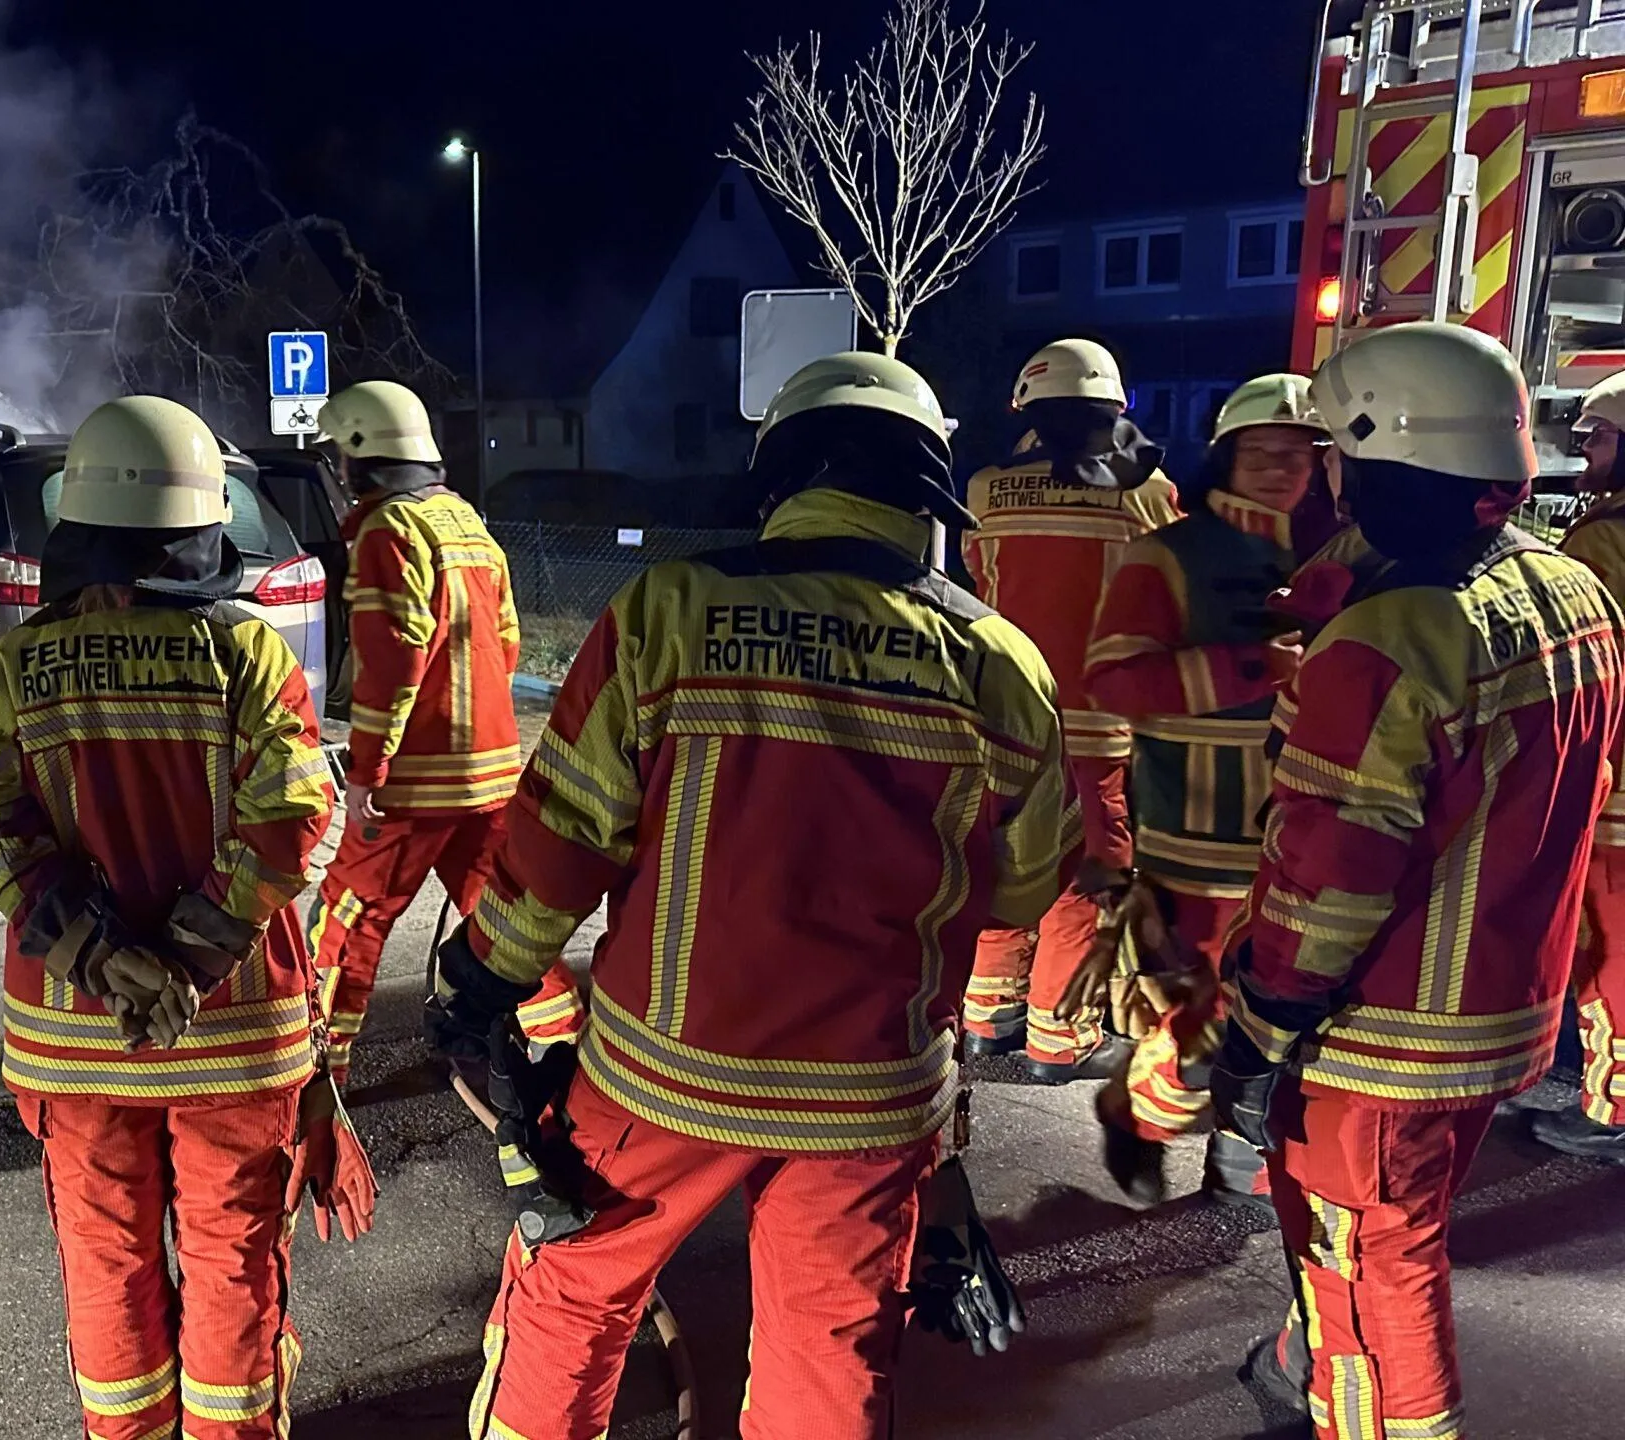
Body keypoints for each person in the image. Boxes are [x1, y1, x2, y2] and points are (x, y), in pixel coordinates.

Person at [432, 353, 1074, 1440]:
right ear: (926, 501)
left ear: (776, 481)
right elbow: (1021, 891)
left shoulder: (669, 613)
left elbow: (563, 835)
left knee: (573, 1293)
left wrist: (479, 978)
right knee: (827, 1351)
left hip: (662, 1075)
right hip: (871, 1096)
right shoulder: (1000, 663)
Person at [1213, 322, 1625, 1435]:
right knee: (1386, 1226)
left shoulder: (1393, 639)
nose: (1323, 481)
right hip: (1509, 1011)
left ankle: (1380, 1415)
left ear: (1375, 451)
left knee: (1375, 1256)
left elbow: (1329, 879)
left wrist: (1257, 1018)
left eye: (1332, 457)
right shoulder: (1576, 595)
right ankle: (1317, 1361)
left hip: (1389, 1033)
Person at [0, 395, 341, 1439]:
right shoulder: (247, 656)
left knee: (107, 1267)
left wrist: (103, 958)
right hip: (234, 1037)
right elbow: (294, 816)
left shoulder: (15, 666)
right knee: (232, 1267)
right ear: (203, 527)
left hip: (76, 1044)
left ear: (76, 525)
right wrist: (190, 954)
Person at [1081, 375, 1323, 1203]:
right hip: (1196, 832)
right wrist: (1260, 668)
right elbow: (1114, 680)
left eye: (1301, 454)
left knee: (1287, 1014)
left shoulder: (1347, 556)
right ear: (1226, 455)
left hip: (1313, 832)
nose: (1284, 468)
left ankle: (1238, 1152)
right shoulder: (1169, 554)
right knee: (1199, 1014)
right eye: (1264, 452)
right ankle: (1135, 1115)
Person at [306, 380, 579, 1080]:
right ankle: (563, 1049)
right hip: (489, 774)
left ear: (360, 453)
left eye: (340, 453)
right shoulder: (465, 521)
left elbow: (391, 663)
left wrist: (367, 772)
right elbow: (508, 641)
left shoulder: (387, 530)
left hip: (413, 783)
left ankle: (314, 1070)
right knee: (504, 926)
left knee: (348, 921)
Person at [960, 339, 1180, 1080]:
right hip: (1096, 724)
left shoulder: (986, 490)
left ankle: (987, 1018)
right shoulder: (1148, 496)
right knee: (1086, 872)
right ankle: (1060, 1038)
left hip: (997, 719)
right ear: (1114, 412)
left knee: (1000, 859)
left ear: (1026, 410)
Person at [1530, 369, 1625, 1162]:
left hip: (1619, 786)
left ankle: (1613, 1110)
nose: (1585, 452)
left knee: (1611, 950)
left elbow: (1582, 668)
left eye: (1598, 438)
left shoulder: (1603, 538)